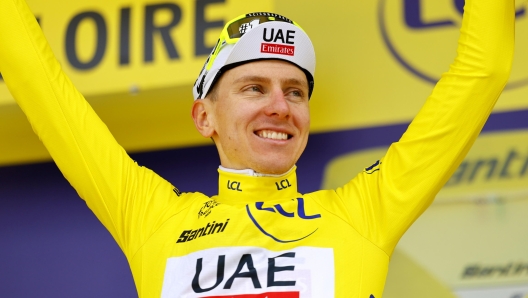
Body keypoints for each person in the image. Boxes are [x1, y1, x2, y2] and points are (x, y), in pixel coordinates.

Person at [0, 0, 514, 296]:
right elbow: (37, 81)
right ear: (205, 116)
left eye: (296, 92)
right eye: (254, 88)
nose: (280, 106)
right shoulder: (153, 218)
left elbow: (483, 72)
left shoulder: (365, 212)